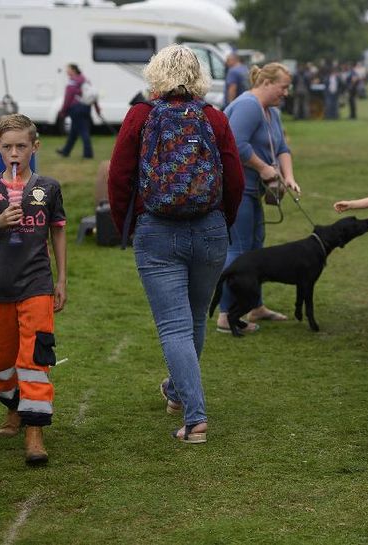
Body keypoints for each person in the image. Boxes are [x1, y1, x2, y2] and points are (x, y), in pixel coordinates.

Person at [107, 44, 245, 444]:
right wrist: (224, 219)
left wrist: (125, 225)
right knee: (196, 318)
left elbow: (119, 176)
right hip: (209, 230)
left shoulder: (141, 116)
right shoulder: (214, 118)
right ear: (199, 76)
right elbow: (233, 177)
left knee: (174, 328)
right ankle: (176, 391)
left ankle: (196, 417)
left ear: (155, 75)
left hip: (157, 231)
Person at [0, 113, 68, 465]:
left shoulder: (48, 187)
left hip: (36, 283)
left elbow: (57, 231)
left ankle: (35, 432)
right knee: (5, 363)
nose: (14, 153)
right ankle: (13, 408)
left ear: (34, 147)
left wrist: (61, 279)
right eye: (7, 147)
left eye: (21, 146)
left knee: (35, 357)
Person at [216, 62, 301, 333]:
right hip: (237, 190)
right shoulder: (248, 106)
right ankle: (226, 315)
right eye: (283, 87)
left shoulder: (270, 111)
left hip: (254, 191)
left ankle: (254, 306)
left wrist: (288, 177)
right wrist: (265, 168)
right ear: (266, 83)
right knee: (239, 252)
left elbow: (283, 147)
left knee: (255, 249)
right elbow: (235, 143)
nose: (286, 93)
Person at [56, 63, 93, 159]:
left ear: (73, 70)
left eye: (68, 69)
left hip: (76, 108)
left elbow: (68, 97)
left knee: (83, 130)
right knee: (74, 131)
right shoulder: (84, 79)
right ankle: (65, 151)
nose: (66, 71)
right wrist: (96, 107)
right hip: (86, 107)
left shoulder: (73, 81)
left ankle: (88, 154)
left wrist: (63, 110)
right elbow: (92, 94)